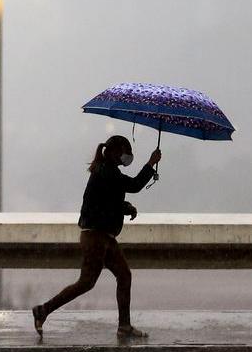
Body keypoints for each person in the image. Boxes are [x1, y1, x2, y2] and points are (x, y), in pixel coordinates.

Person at [32, 135, 161, 339]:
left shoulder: (107, 171)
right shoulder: (106, 171)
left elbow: (108, 202)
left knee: (124, 275)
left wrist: (126, 208)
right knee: (86, 282)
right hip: (96, 237)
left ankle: (124, 326)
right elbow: (134, 185)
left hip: (104, 237)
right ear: (113, 152)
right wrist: (150, 164)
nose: (128, 156)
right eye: (125, 151)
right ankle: (43, 310)